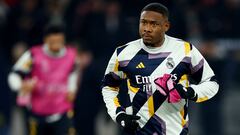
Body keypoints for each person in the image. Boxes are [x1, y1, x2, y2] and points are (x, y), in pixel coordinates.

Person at [101, 3, 219, 135]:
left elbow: (212, 83)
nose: (147, 28)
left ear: (166, 26)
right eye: (143, 23)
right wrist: (119, 115)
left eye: (154, 24)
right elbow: (108, 87)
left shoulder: (185, 50)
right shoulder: (123, 53)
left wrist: (189, 92)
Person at [8, 25, 79, 135]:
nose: (56, 45)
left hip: (62, 111)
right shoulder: (34, 55)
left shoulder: (71, 55)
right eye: (53, 42)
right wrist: (21, 86)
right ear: (46, 40)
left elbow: (73, 74)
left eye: (59, 41)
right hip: (38, 113)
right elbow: (14, 74)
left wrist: (72, 89)